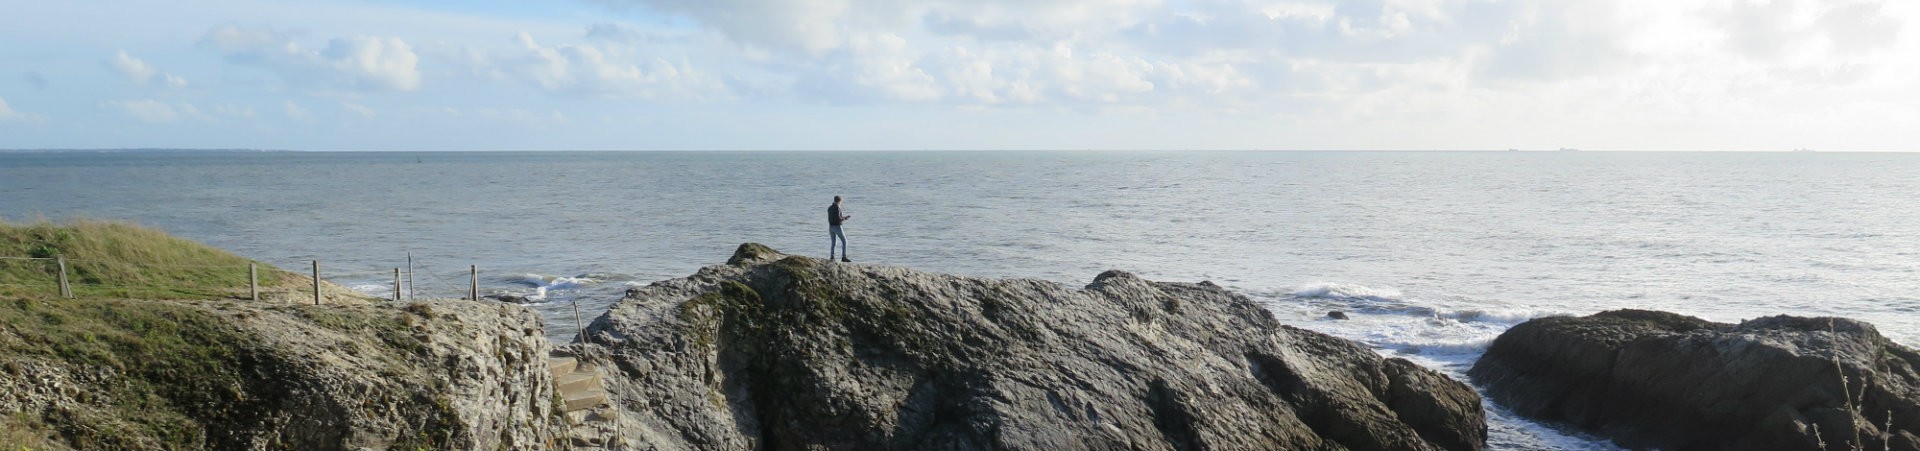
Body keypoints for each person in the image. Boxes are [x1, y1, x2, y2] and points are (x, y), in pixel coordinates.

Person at [828, 196, 851, 262]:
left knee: (833, 242)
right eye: (841, 202)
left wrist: (842, 217)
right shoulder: (837, 208)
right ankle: (844, 257)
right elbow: (838, 218)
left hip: (831, 227)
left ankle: (832, 257)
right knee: (844, 241)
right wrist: (845, 218)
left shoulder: (829, 208)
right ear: (839, 201)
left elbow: (834, 217)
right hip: (837, 227)